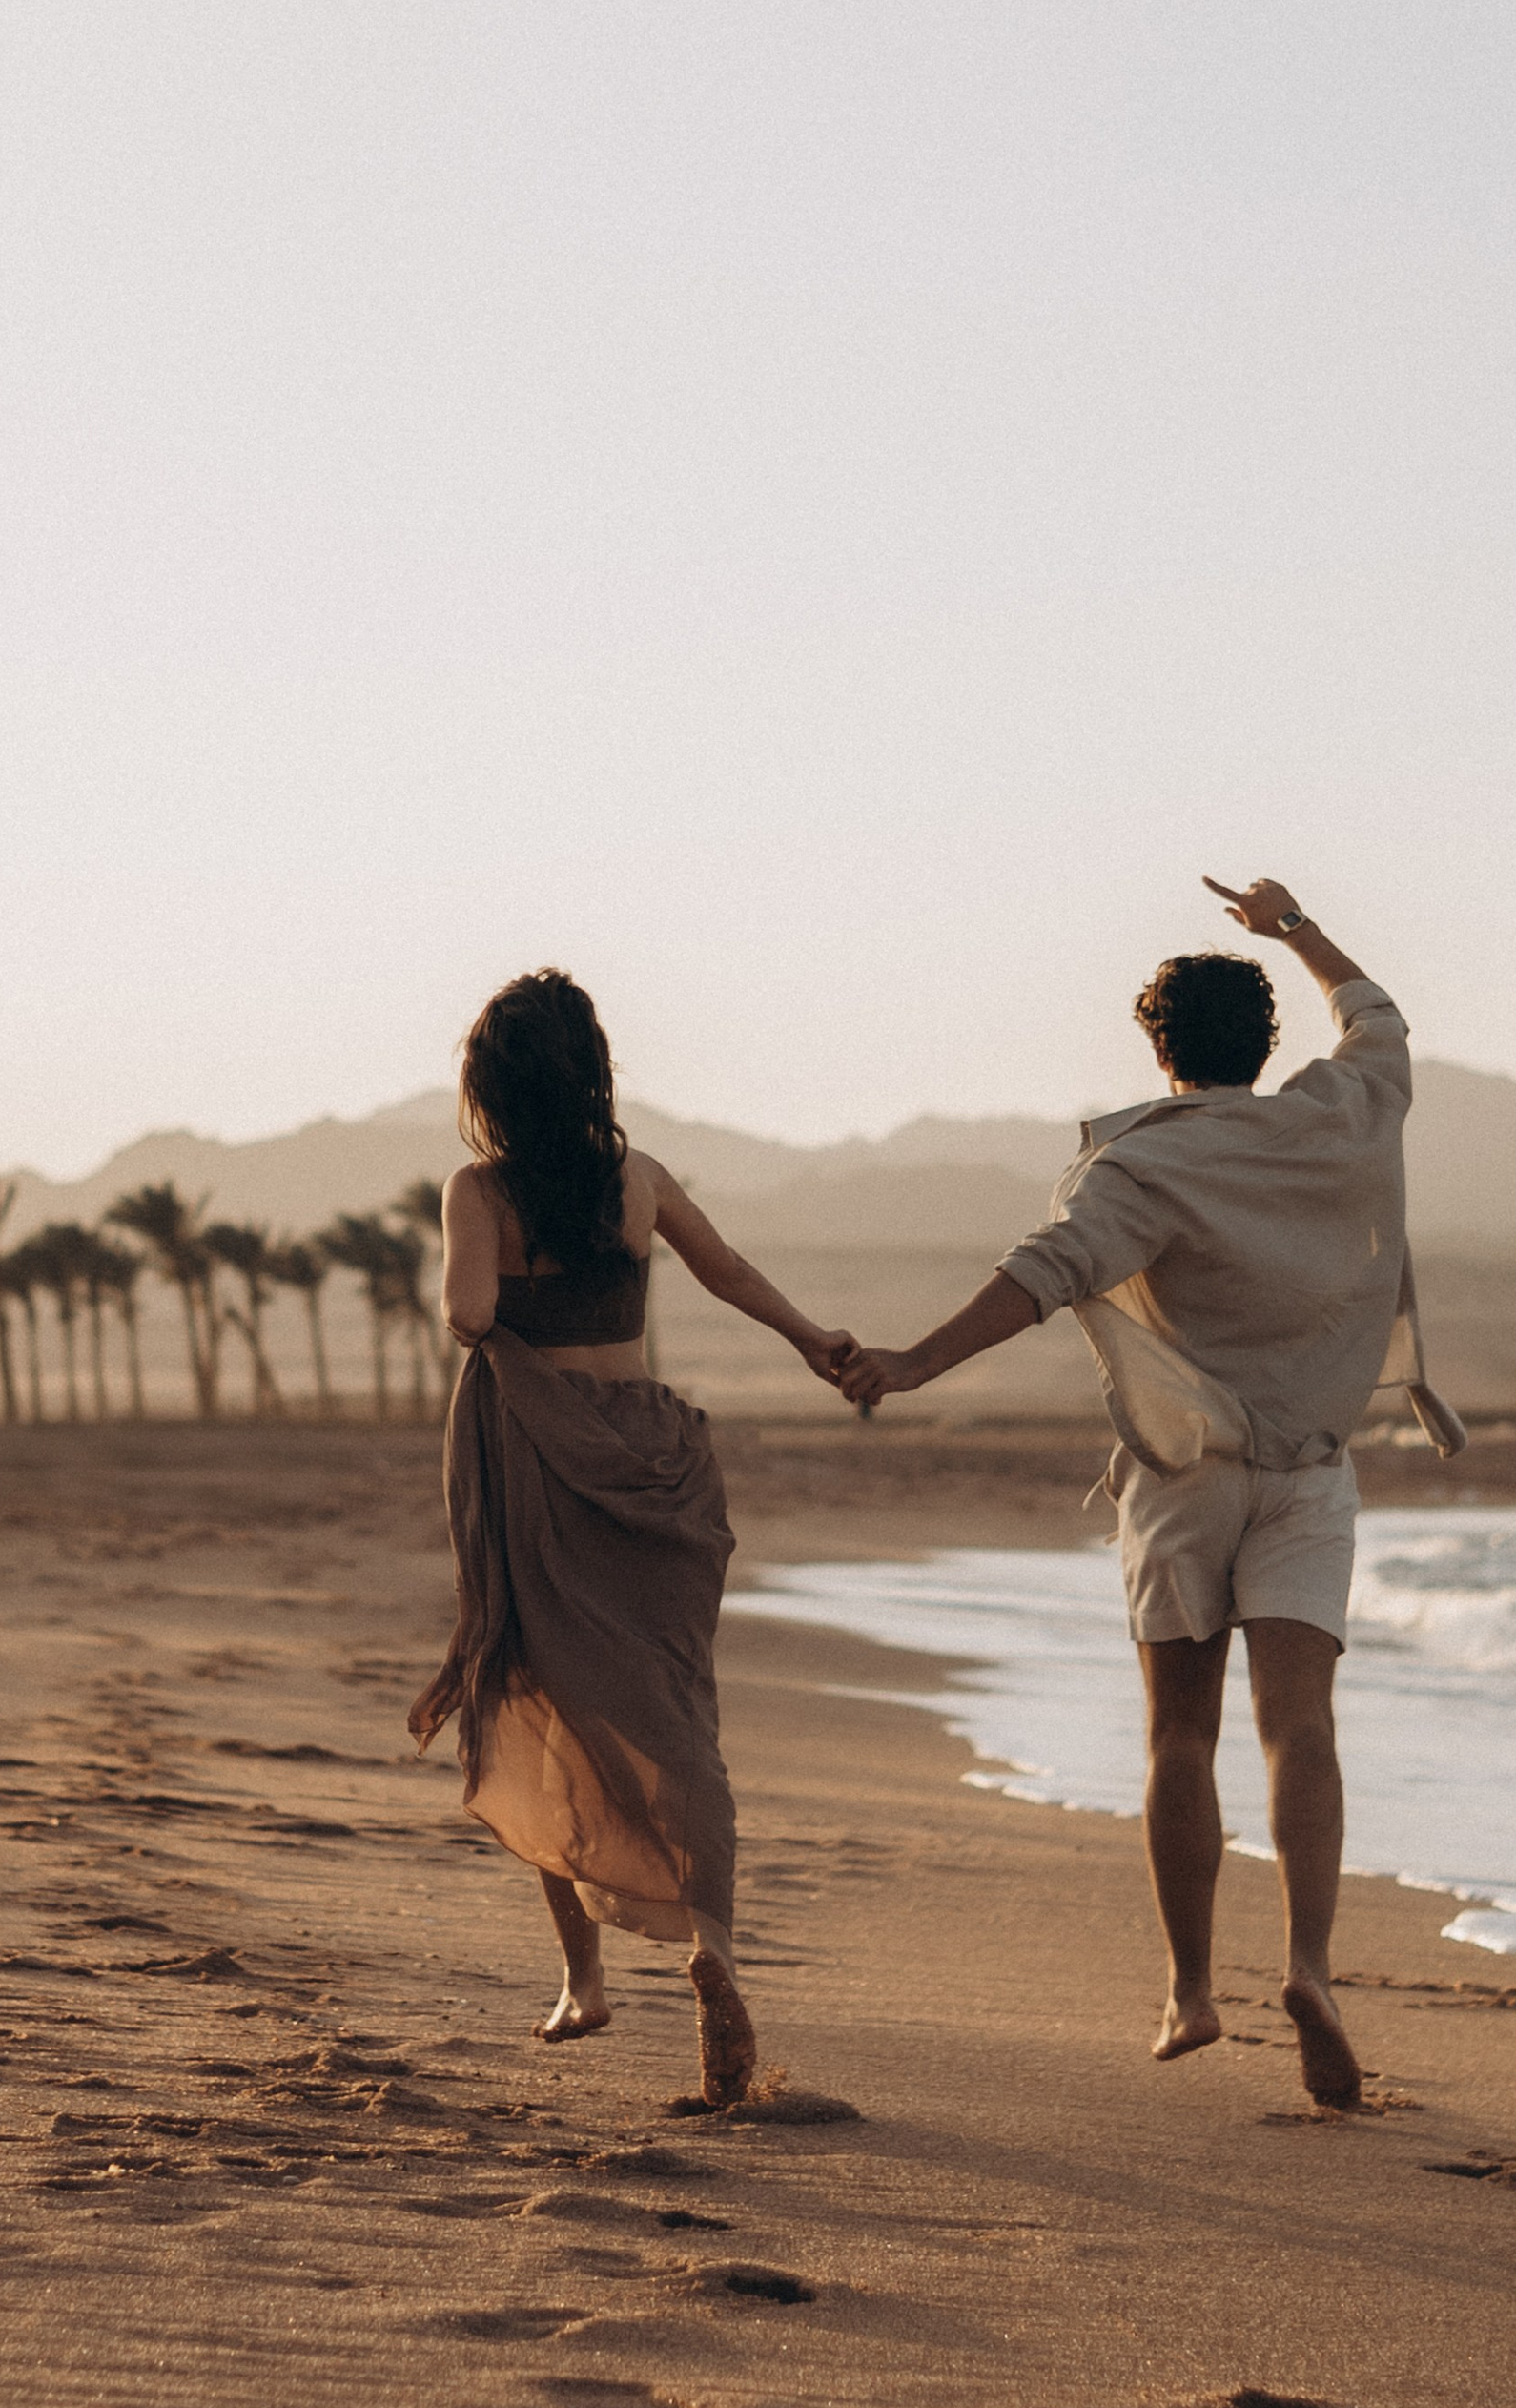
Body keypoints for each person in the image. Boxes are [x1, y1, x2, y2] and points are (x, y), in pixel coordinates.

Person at [835, 876, 1461, 2110]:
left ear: (1158, 1046)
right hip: (1310, 1477)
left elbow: (1042, 1274)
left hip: (1182, 1483)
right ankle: (1313, 1968)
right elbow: (1377, 1015)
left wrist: (910, 1362)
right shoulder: (1345, 1113)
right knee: (1304, 1731)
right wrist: (1292, 929)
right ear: (1268, 1042)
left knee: (1183, 1733)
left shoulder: (1139, 1163)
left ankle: (1188, 1990)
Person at [410, 969, 850, 2101]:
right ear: (589, 1068)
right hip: (653, 1458)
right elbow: (730, 1271)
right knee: (673, 1706)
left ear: (488, 1085)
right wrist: (813, 1340)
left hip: (541, 1463)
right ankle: (713, 1946)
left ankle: (584, 1978)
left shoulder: (478, 1189)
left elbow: (466, 1315)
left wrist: (488, 1292)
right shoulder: (637, 1177)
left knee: (537, 1690)